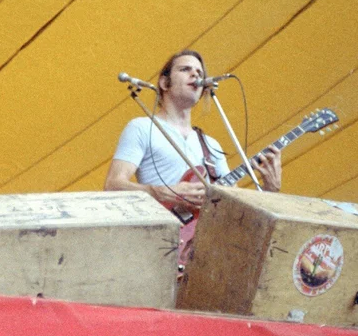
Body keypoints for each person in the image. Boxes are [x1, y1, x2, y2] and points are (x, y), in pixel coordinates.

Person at [104, 50, 282, 266]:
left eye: (199, 72)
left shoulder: (211, 145)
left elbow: (235, 208)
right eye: (185, 69)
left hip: (207, 253)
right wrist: (164, 192)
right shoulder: (141, 127)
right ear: (164, 82)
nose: (195, 75)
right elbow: (113, 186)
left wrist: (271, 192)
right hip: (159, 249)